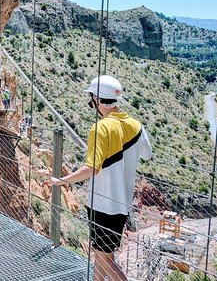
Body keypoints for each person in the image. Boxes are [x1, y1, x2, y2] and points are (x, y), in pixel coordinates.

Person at [45, 75, 152, 281]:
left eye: (91, 98)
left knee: (105, 260)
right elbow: (147, 154)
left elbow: (91, 168)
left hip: (102, 205)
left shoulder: (100, 128)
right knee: (103, 255)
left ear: (96, 99)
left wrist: (61, 180)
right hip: (122, 205)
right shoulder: (137, 126)